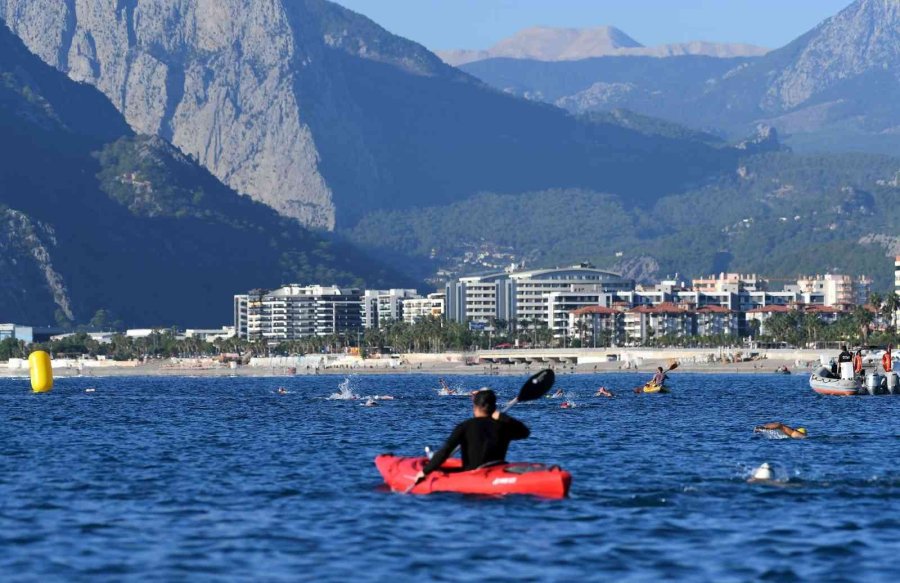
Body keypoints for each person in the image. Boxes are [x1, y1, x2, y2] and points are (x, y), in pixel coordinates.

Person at [413, 389, 530, 483]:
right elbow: (525, 432)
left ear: (475, 406)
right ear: (494, 408)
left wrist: (425, 472)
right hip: (497, 472)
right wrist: (500, 416)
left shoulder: (465, 426)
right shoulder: (503, 426)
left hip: (473, 477)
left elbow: (444, 452)